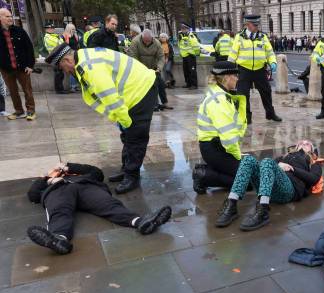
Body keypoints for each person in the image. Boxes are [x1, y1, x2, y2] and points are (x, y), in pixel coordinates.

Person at [45, 43, 157, 194]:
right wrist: (121, 122)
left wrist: (124, 121)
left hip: (142, 89)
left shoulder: (91, 69)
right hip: (132, 90)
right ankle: (127, 170)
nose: (64, 71)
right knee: (128, 135)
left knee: (136, 136)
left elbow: (112, 99)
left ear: (67, 61)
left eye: (61, 67)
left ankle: (132, 176)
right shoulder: (83, 59)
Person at [26, 162, 172, 255]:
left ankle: (141, 222)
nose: (56, 169)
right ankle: (59, 239)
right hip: (58, 190)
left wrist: (68, 167)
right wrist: (46, 179)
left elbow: (97, 173)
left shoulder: (82, 174)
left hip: (86, 187)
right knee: (59, 210)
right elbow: (33, 195)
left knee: (108, 204)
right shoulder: (48, 182)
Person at [215, 140, 322, 231]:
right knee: (248, 160)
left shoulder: (313, 162)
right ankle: (232, 204)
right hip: (268, 189)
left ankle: (263, 212)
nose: (304, 143)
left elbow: (313, 179)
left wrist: (292, 169)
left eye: (307, 143)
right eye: (301, 142)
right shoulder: (285, 156)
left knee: (267, 161)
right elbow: (265, 167)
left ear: (312, 150)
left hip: (289, 189)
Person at [193, 61, 247, 193]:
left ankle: (212, 170)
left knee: (246, 172)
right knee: (246, 181)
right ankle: (203, 176)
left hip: (217, 148)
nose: (237, 78)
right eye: (235, 75)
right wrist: (238, 156)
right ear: (227, 77)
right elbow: (228, 136)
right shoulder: (219, 100)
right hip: (215, 149)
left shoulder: (219, 93)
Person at [229, 14, 282, 124]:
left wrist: (272, 62)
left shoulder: (263, 37)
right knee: (243, 94)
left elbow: (269, 52)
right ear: (247, 25)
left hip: (260, 70)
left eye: (257, 25)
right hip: (244, 70)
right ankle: (246, 117)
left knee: (266, 92)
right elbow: (233, 54)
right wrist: (230, 69)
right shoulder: (239, 37)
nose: (257, 27)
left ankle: (270, 114)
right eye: (254, 25)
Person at [0, 7, 36, 121]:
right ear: (0, 18)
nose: (10, 18)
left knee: (27, 90)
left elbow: (29, 48)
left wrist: (30, 65)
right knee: (13, 91)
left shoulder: (19, 31)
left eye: (11, 16)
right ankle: (19, 111)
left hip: (23, 67)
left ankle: (30, 111)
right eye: (7, 16)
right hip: (6, 69)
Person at [128, 29, 172, 111]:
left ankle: (164, 102)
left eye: (149, 41)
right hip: (141, 68)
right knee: (149, 87)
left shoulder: (157, 43)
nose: (147, 43)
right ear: (142, 37)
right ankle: (153, 105)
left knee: (160, 84)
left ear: (152, 38)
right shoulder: (135, 42)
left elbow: (161, 57)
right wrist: (140, 68)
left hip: (154, 68)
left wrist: (159, 68)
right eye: (145, 41)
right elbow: (132, 56)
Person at [44, 22, 66, 94]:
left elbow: (62, 43)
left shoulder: (55, 36)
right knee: (58, 74)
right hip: (55, 57)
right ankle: (59, 90)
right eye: (51, 28)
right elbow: (59, 44)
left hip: (59, 56)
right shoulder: (48, 37)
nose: (53, 29)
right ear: (47, 29)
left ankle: (61, 89)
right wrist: (60, 39)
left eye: (53, 28)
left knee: (60, 74)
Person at [177, 23, 200, 90]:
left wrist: (196, 53)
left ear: (187, 29)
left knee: (192, 71)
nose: (182, 29)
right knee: (186, 71)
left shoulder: (191, 35)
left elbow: (195, 45)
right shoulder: (181, 35)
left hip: (191, 56)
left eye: (184, 28)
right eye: (182, 28)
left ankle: (194, 85)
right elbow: (180, 45)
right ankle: (188, 83)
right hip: (184, 56)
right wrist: (181, 53)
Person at [62, 23, 80, 92]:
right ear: (68, 29)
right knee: (72, 70)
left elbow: (77, 44)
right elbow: (64, 45)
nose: (73, 30)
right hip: (69, 55)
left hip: (76, 54)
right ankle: (73, 86)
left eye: (74, 29)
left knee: (77, 70)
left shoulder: (75, 36)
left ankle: (76, 85)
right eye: (72, 29)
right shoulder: (65, 36)